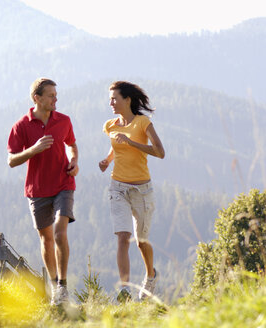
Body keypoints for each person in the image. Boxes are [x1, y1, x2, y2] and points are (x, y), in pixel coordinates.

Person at [7, 78, 79, 306]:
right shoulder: (21, 126)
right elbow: (11, 160)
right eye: (51, 95)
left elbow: (72, 144)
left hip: (63, 184)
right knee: (46, 239)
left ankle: (62, 287)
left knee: (59, 232)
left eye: (56, 94)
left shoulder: (64, 120)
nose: (55, 99)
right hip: (37, 190)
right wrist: (34, 149)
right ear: (37, 98)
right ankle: (54, 282)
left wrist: (75, 161)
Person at [98, 81, 165, 302]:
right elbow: (115, 147)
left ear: (127, 100)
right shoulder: (110, 125)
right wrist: (107, 160)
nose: (111, 103)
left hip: (142, 191)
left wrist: (131, 143)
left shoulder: (143, 123)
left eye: (114, 98)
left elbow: (159, 152)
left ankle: (150, 275)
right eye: (110, 99)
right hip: (118, 187)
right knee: (123, 238)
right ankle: (125, 289)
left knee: (141, 241)